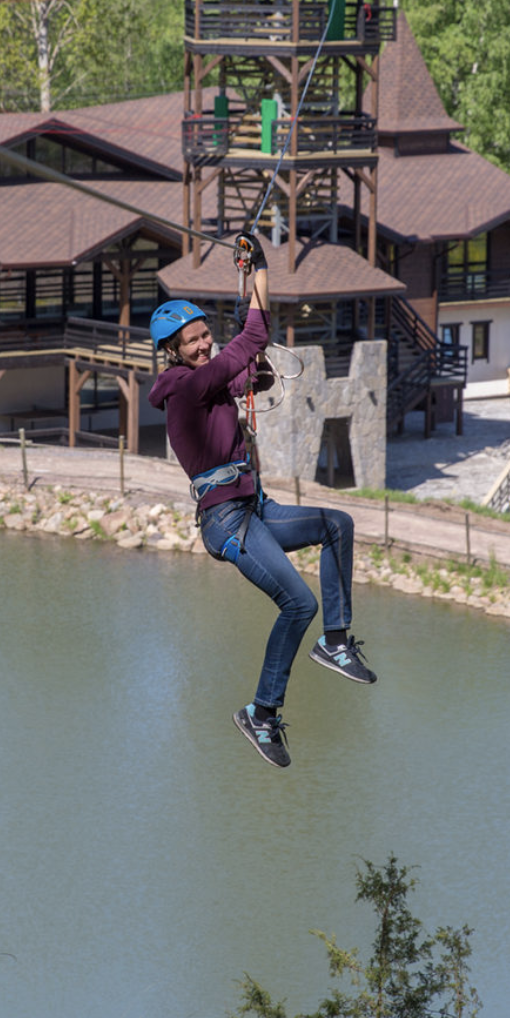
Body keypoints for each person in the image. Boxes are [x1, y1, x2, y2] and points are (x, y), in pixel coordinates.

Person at [146, 233, 371, 770]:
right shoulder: (184, 386)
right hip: (227, 522)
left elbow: (250, 361)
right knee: (298, 604)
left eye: (205, 337)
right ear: (173, 351)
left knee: (336, 523)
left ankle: (336, 641)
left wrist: (259, 284)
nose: (203, 346)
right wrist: (260, 273)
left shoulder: (209, 386)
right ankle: (261, 713)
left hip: (256, 509)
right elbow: (250, 338)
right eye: (193, 341)